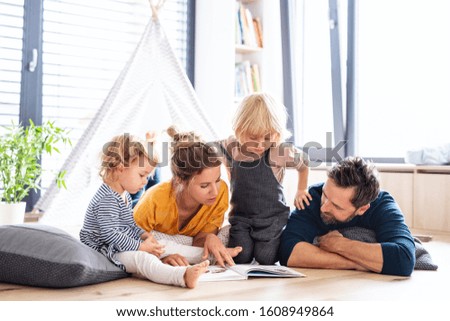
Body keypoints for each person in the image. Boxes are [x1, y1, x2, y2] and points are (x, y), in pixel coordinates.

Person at [80, 133, 209, 289]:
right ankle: (181, 276)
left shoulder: (123, 194)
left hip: (121, 246)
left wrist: (145, 235)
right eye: (142, 175)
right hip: (107, 253)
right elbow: (110, 234)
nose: (145, 181)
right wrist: (140, 247)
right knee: (143, 259)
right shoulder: (107, 199)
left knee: (162, 244)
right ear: (120, 168)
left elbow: (130, 224)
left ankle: (210, 256)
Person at [279, 156, 416, 277]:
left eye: (336, 206)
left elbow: (404, 259)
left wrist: (338, 244)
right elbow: (288, 251)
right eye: (325, 195)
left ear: (362, 209)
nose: (324, 207)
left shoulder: (383, 205)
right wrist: (359, 263)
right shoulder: (312, 197)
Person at [219, 92, 311, 265]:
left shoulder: (277, 152)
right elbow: (204, 151)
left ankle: (278, 239)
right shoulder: (231, 147)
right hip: (241, 218)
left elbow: (304, 162)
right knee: (241, 256)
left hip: (272, 220)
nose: (260, 145)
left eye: (267, 137)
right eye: (253, 138)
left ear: (277, 133)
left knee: (266, 257)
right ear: (239, 130)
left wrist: (301, 189)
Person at [133, 126, 242, 267]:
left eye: (217, 180)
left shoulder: (220, 192)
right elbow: (131, 241)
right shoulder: (155, 199)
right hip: (140, 210)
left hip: (176, 234)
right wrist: (161, 258)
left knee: (228, 233)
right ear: (180, 180)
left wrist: (210, 237)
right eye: (204, 186)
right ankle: (151, 150)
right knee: (136, 190)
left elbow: (197, 244)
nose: (215, 191)